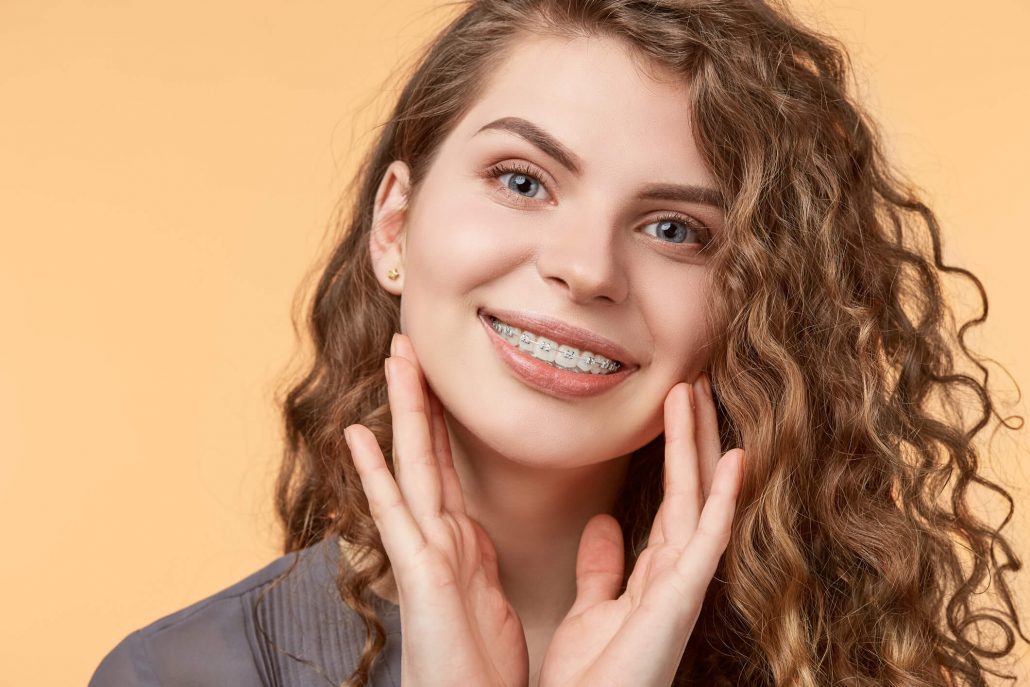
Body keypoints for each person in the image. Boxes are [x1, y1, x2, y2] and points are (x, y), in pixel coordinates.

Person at [89, 0, 1027, 685]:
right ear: (394, 229)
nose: (586, 269)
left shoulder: (838, 666)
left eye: (676, 230)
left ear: (752, 309)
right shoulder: (183, 672)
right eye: (523, 179)